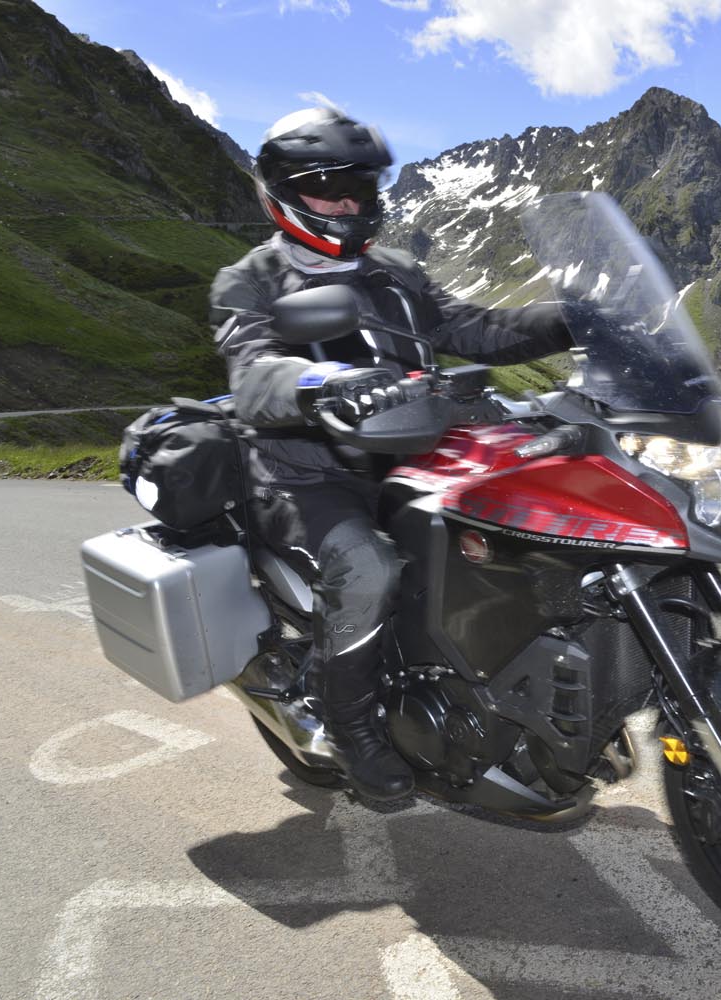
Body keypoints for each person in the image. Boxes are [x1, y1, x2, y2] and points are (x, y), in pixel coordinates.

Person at [210, 108, 571, 801]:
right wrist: (319, 382)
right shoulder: (248, 280)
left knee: (525, 534)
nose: (347, 203)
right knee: (369, 568)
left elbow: (480, 329)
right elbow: (253, 375)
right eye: (327, 188)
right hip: (307, 474)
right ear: (281, 191)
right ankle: (351, 728)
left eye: (359, 186)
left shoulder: (397, 273)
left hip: (413, 457)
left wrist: (574, 318)